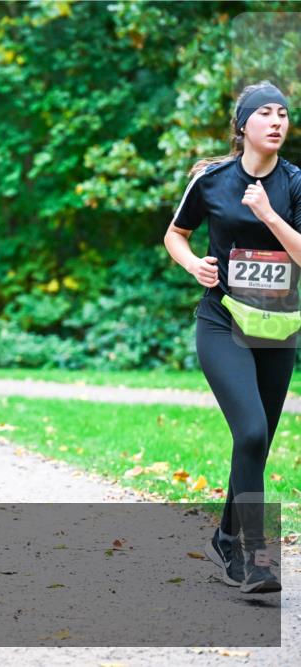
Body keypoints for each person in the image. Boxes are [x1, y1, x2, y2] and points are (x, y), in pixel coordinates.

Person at [164, 81, 300, 594]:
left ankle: (226, 535)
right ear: (243, 126)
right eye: (265, 112)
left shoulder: (295, 183)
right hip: (222, 321)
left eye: (283, 113)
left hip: (278, 327)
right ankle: (258, 557)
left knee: (257, 442)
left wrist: (269, 215)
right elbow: (175, 234)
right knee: (249, 432)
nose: (277, 121)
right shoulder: (212, 180)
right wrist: (193, 263)